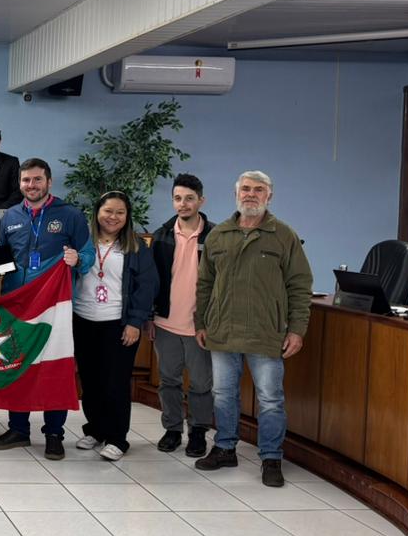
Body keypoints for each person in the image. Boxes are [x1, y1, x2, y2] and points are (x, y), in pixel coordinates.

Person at [194, 170, 313, 488]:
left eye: (258, 190)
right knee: (223, 395)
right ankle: (224, 448)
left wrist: (297, 329)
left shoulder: (283, 236)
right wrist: (201, 322)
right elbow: (205, 283)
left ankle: (272, 457)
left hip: (266, 333)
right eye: (245, 189)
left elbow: (300, 285)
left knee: (271, 398)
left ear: (269, 196)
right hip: (222, 330)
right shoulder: (218, 235)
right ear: (236, 194)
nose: (251, 194)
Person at [0, 158, 93, 456]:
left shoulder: (70, 215)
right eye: (26, 180)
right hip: (16, 303)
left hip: (54, 307)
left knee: (53, 367)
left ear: (49, 182)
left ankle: (54, 433)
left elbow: (88, 253)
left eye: (37, 180)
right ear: (20, 184)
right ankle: (18, 429)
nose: (31, 185)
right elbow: (4, 258)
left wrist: (77, 260)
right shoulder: (12, 216)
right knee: (16, 365)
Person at [69, 192, 158, 462]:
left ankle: (118, 437)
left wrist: (134, 322)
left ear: (127, 216)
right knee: (91, 380)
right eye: (108, 211)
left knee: (115, 382)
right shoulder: (83, 242)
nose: (113, 217)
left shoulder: (137, 247)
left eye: (120, 212)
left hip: (117, 324)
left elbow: (147, 286)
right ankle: (95, 430)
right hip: (83, 320)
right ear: (97, 212)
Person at [148, 174, 215, 457]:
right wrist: (150, 316)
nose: (183, 204)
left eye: (189, 198)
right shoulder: (162, 235)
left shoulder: (216, 236)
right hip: (166, 322)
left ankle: (198, 432)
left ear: (201, 200)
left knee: (201, 384)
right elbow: (152, 280)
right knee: (169, 381)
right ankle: (172, 429)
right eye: (178, 198)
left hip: (200, 325)